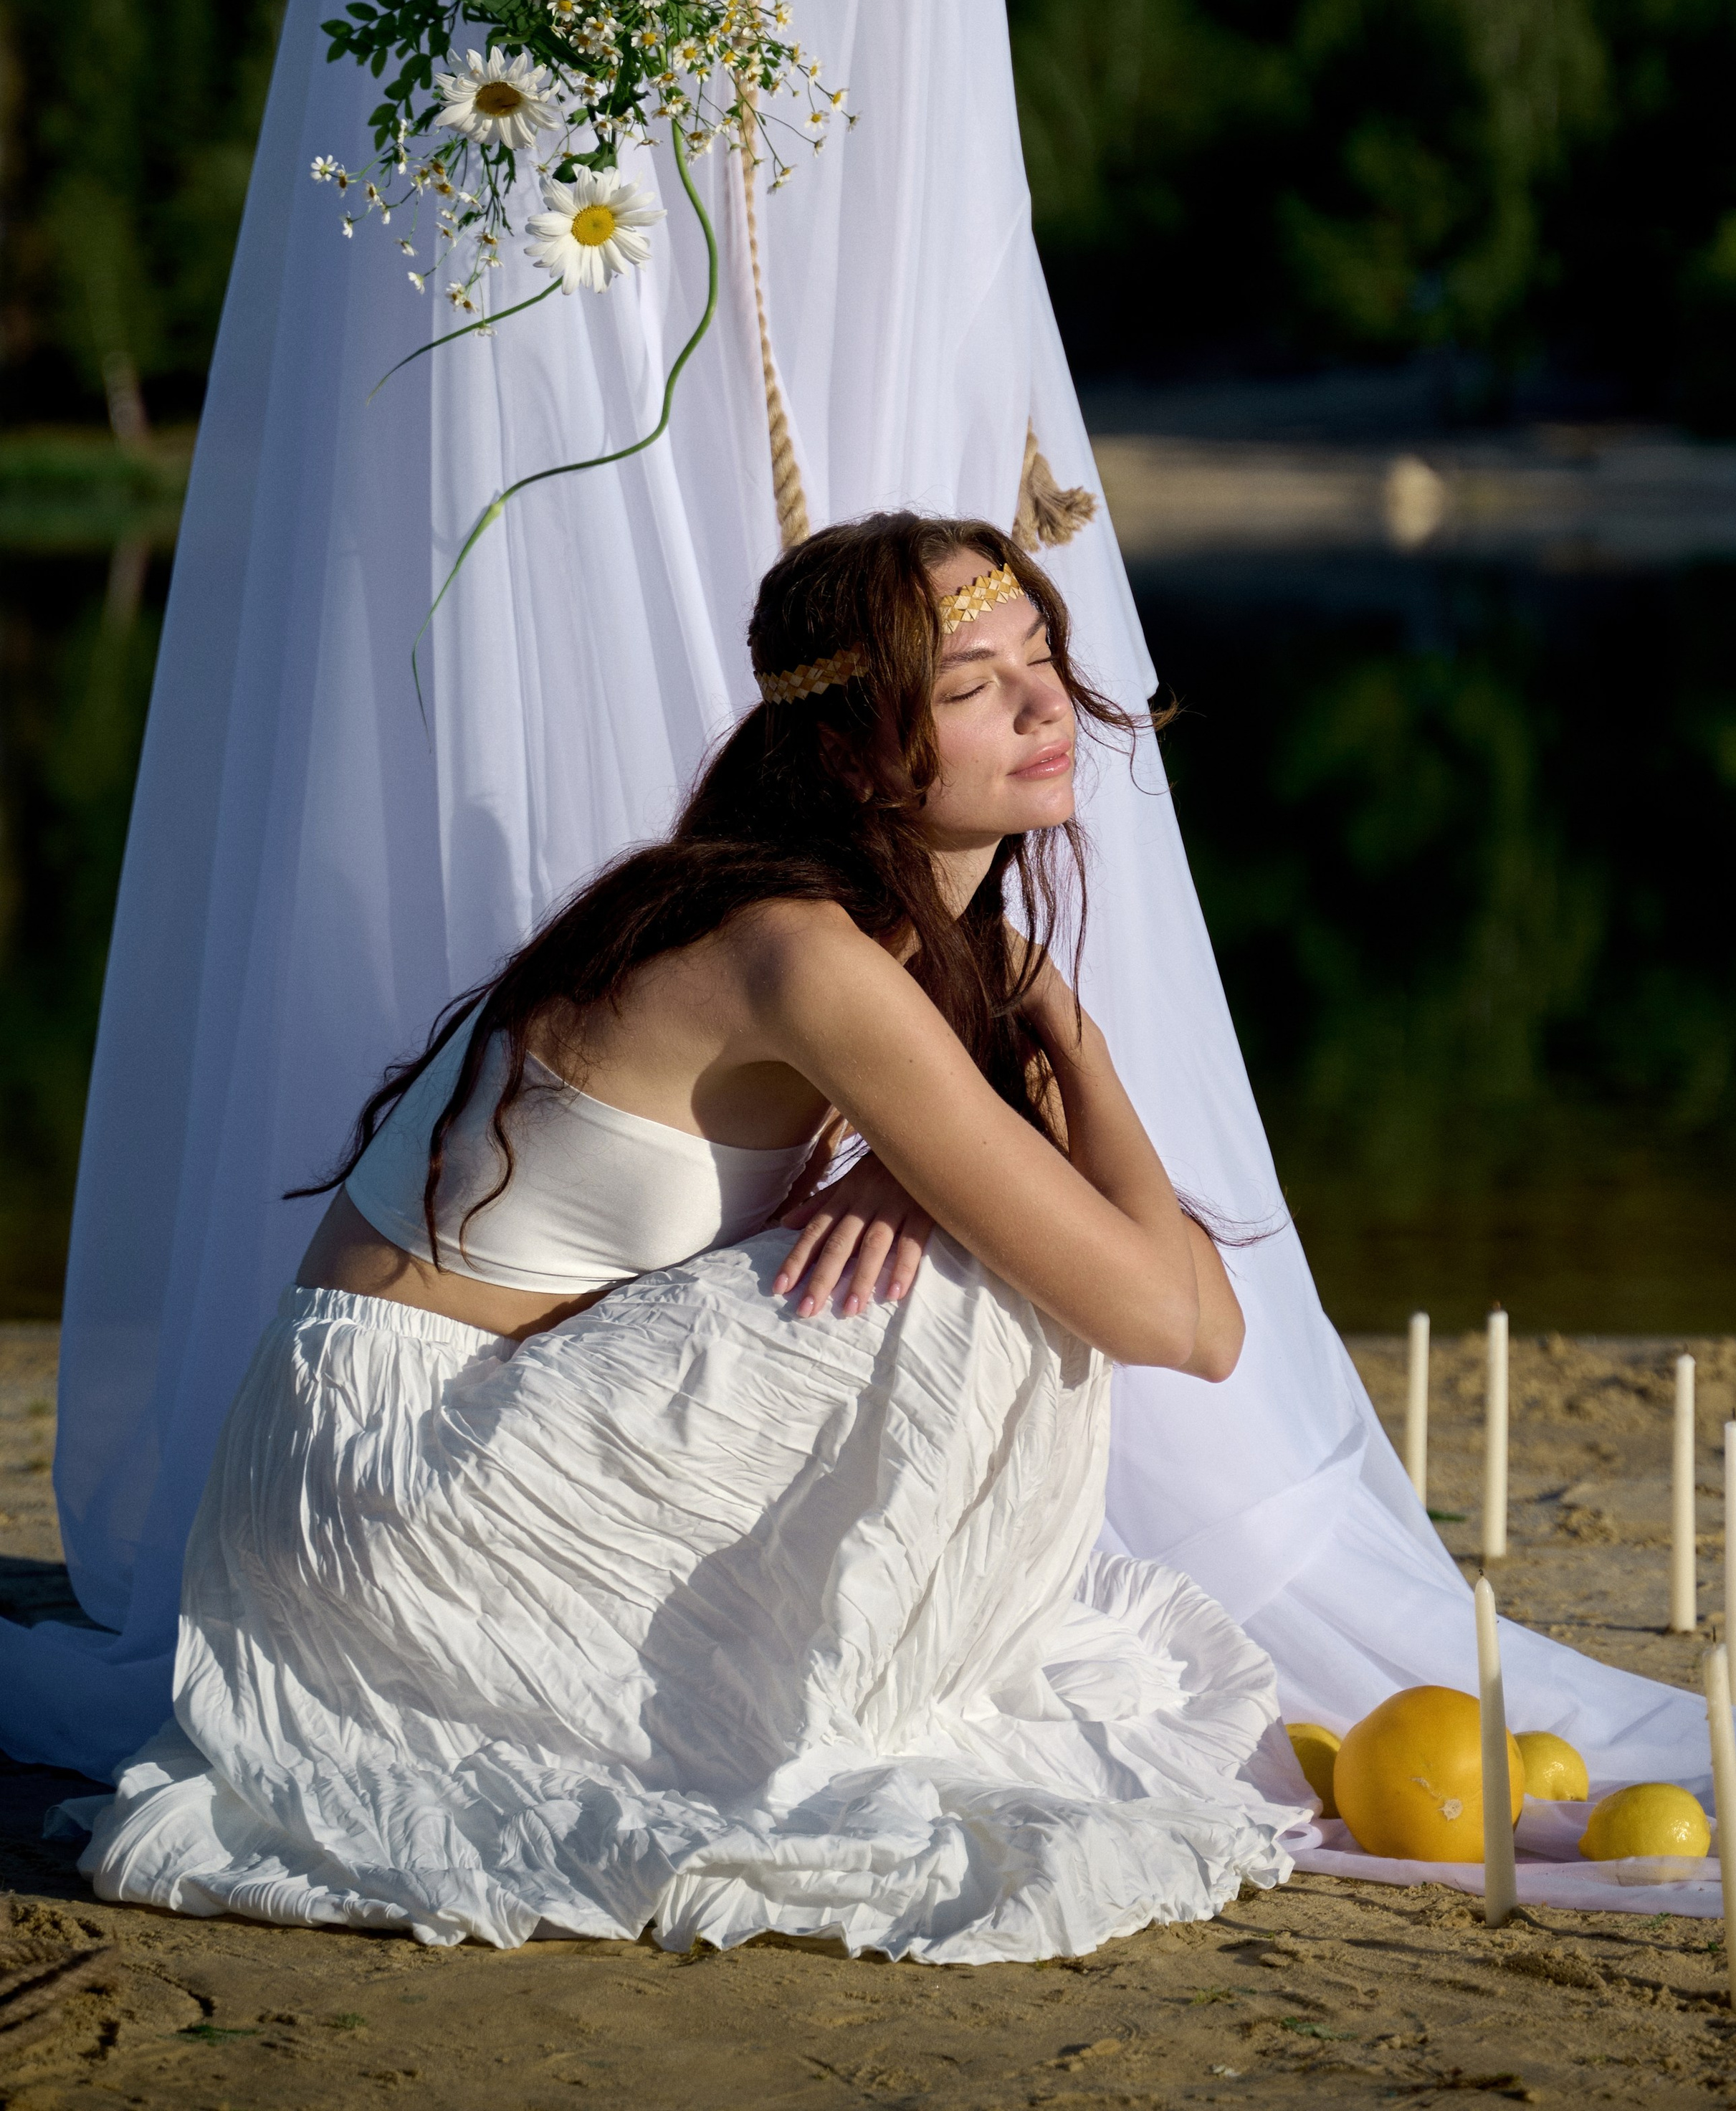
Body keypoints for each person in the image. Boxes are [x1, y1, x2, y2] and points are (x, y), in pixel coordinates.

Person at [69, 513, 1308, 1960]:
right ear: (853, 753)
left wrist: (996, 1073)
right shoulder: (802, 953)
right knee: (977, 1286)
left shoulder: (886, 944)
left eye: (1041, 656)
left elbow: (1201, 1321)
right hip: (389, 1492)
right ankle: (833, 1697)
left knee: (974, 1252)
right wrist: (1025, 1053)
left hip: (429, 1442)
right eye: (971, 685)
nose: (1043, 705)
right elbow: (1168, 1322)